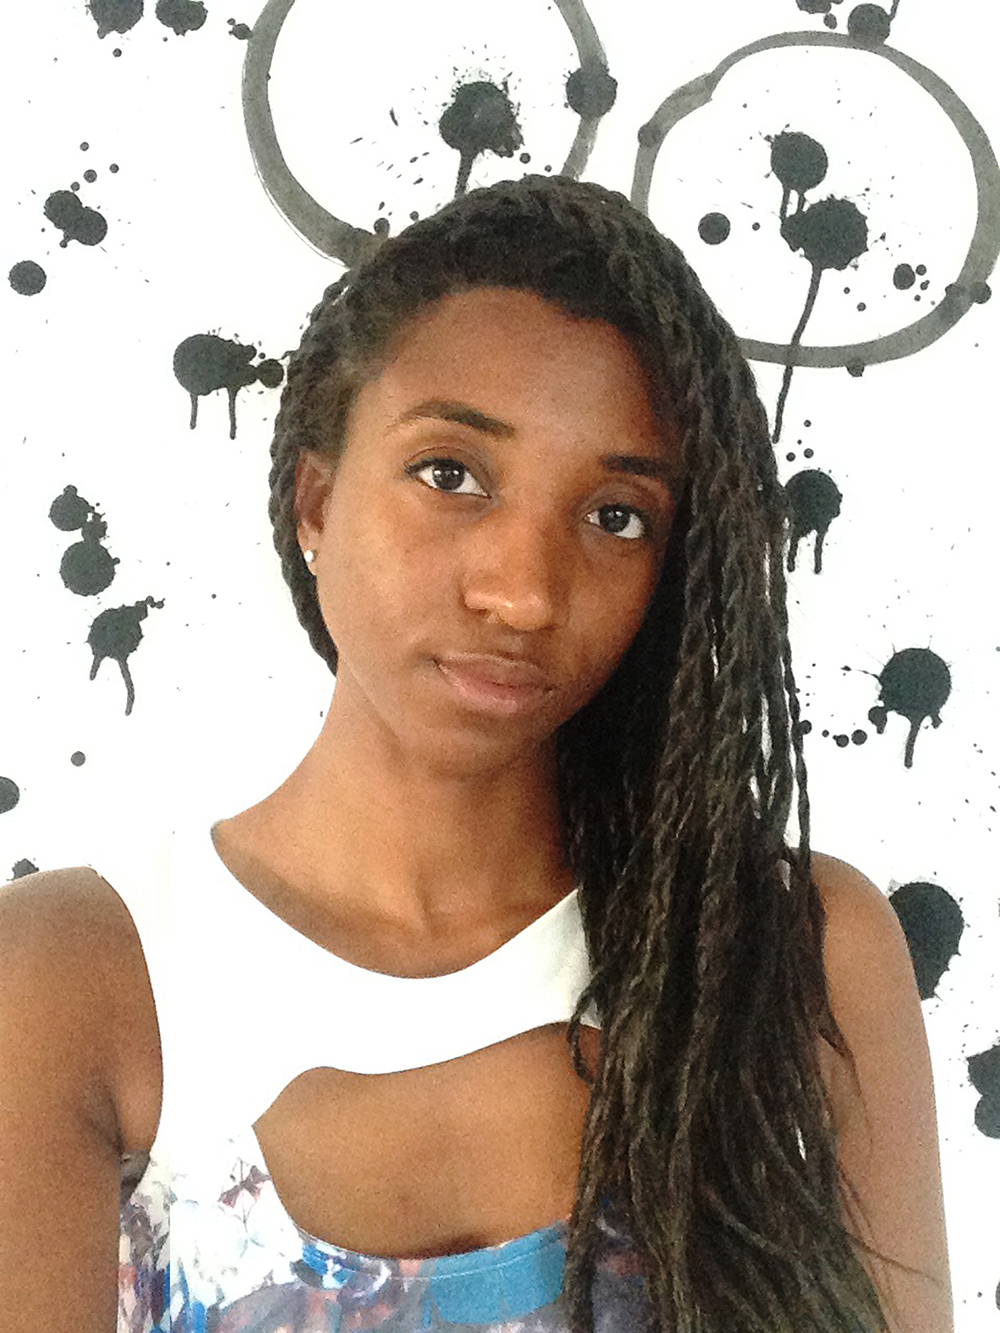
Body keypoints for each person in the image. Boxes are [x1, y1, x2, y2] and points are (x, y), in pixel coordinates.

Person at [0, 174, 951, 1333]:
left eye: (614, 515)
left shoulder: (790, 950)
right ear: (314, 500)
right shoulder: (78, 977)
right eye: (450, 474)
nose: (523, 592)